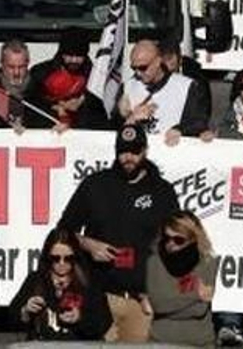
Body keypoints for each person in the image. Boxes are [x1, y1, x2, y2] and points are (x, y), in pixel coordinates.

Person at [57, 125, 180, 342]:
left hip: (141, 301)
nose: (128, 157)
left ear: (145, 150)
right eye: (123, 151)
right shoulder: (95, 185)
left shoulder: (162, 191)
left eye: (134, 151)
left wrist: (160, 293)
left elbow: (176, 244)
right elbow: (63, 231)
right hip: (99, 298)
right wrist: (87, 244)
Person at [9, 229, 111, 341]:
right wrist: (25, 311)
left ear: (76, 257)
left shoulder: (88, 282)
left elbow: (103, 322)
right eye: (55, 258)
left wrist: (80, 319)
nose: (62, 263)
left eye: (68, 258)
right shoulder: (36, 280)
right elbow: (10, 318)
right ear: (48, 257)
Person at [142, 211, 217, 347]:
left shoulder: (208, 262)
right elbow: (159, 305)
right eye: (167, 238)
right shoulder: (154, 262)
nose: (171, 244)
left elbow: (199, 310)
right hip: (162, 341)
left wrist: (171, 299)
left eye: (178, 240)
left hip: (200, 342)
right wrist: (196, 295)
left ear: (193, 238)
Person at [118, 38, 210, 141]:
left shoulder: (187, 87)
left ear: (158, 61)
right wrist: (132, 119)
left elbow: (198, 122)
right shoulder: (128, 87)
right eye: (134, 68)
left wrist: (179, 130)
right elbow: (112, 129)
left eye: (143, 68)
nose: (138, 73)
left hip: (171, 152)